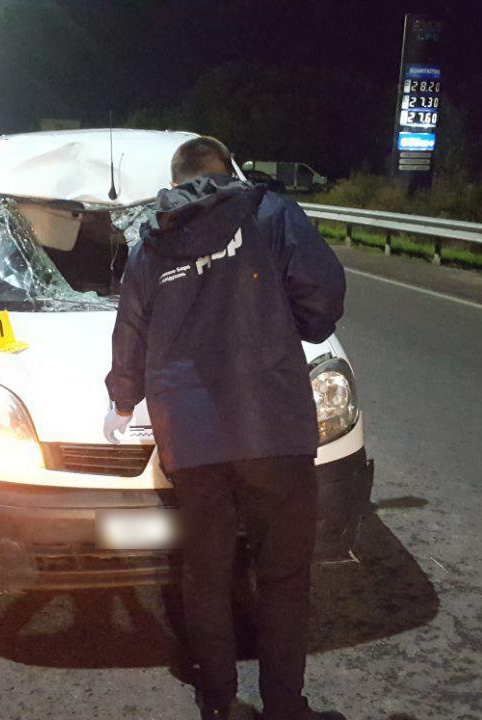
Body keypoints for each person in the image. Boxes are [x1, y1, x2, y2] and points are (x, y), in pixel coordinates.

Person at [104, 136, 347, 720]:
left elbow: (130, 333)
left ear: (176, 181)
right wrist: (287, 321)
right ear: (227, 171)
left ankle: (218, 704)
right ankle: (284, 706)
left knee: (205, 575)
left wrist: (123, 401)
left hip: (190, 438)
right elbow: (322, 298)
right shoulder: (269, 215)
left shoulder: (152, 245)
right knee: (283, 577)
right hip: (273, 428)